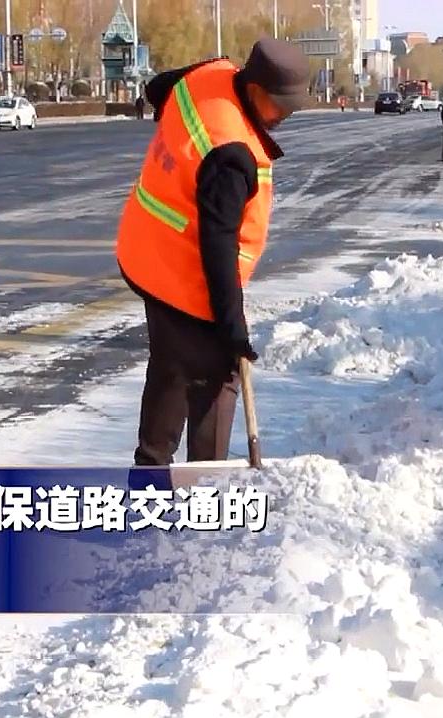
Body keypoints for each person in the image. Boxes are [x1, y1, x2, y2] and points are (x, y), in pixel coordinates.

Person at [116, 38, 310, 468]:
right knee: (217, 375)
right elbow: (218, 248)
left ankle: (150, 472)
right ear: (255, 87)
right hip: (181, 270)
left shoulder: (208, 73)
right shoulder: (233, 154)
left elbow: (157, 89)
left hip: (145, 246)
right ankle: (207, 484)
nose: (284, 116)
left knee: (172, 365)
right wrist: (233, 329)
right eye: (281, 105)